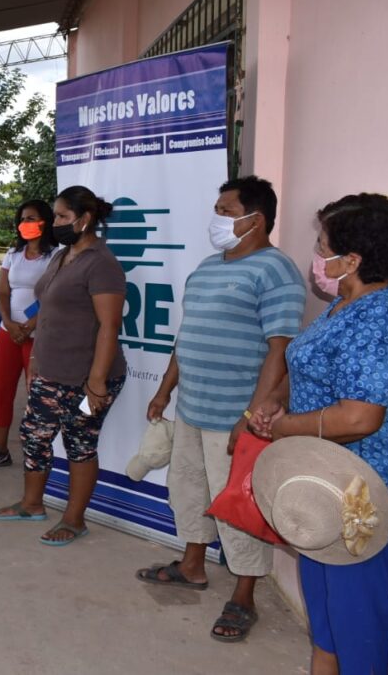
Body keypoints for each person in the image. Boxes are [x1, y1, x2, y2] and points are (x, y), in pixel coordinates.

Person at [134, 176, 306, 643]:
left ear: (257, 219)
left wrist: (252, 417)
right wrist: (165, 390)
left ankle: (245, 593)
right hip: (192, 407)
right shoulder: (207, 267)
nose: (217, 218)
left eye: (225, 211)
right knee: (188, 489)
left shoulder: (277, 271)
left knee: (238, 507)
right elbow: (185, 336)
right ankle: (192, 565)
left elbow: (280, 350)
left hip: (236, 414)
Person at [249, 193, 388, 673]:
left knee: (359, 631)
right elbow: (313, 367)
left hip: (363, 502)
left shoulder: (379, 319)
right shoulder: (343, 305)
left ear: (351, 260)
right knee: (328, 623)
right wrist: (278, 400)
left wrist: (286, 428)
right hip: (324, 488)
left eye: (323, 244)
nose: (317, 254)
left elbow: (359, 418)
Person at [0, 186, 127, 547]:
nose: (57, 223)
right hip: (51, 370)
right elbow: (47, 309)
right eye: (57, 217)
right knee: (34, 436)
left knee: (80, 444)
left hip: (86, 376)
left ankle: (74, 519)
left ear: (84, 220)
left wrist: (96, 381)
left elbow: (110, 326)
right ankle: (31, 504)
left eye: (63, 217)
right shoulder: (62, 257)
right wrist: (36, 359)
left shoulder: (101, 263)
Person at [0, 200, 57, 469]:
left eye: (32, 218)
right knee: (1, 391)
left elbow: (55, 296)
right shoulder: (13, 253)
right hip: (8, 333)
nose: (26, 223)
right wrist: (9, 323)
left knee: (36, 396)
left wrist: (31, 324)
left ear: (45, 221)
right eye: (22, 218)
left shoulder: (57, 255)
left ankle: (40, 454)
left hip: (41, 335)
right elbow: (3, 292)